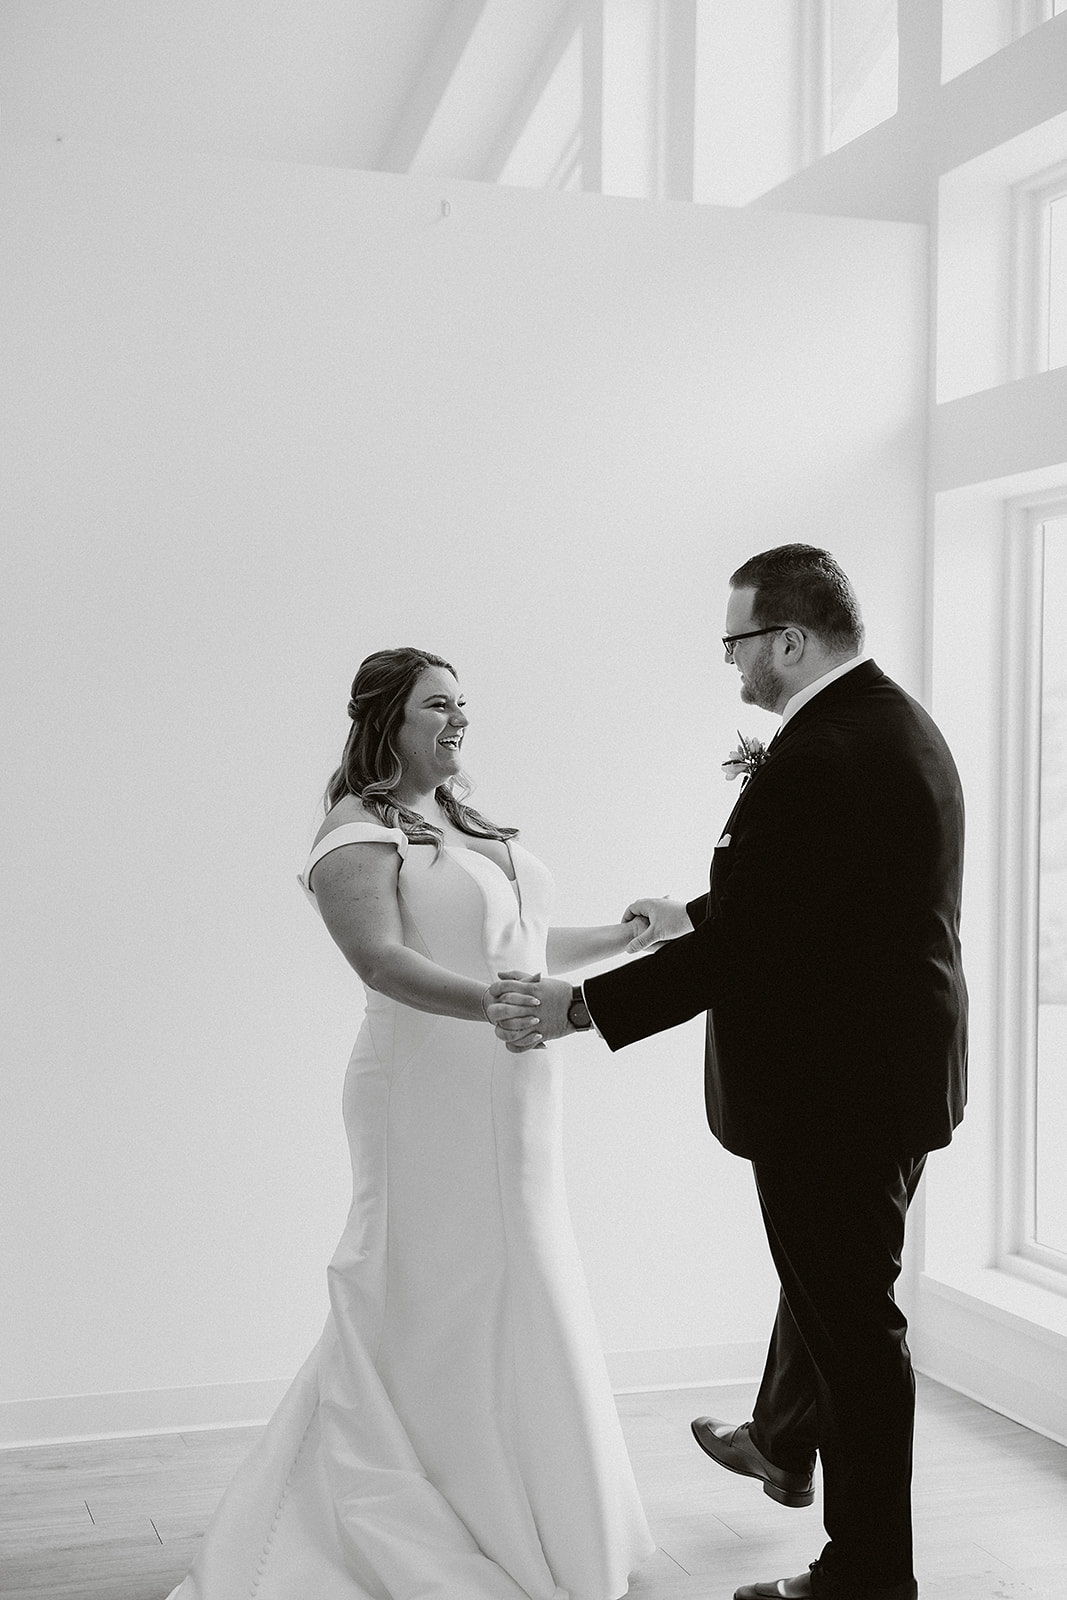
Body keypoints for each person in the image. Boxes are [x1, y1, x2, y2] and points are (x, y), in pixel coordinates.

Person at [492, 546, 968, 1600]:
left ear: (788, 641)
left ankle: (866, 1575)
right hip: (890, 1073)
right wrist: (694, 912)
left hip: (832, 1091)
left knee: (851, 1322)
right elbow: (806, 904)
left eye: (736, 642)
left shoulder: (820, 754)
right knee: (835, 1294)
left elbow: (754, 948)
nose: (731, 666)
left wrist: (581, 1007)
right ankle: (781, 1439)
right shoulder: (891, 722)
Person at [166, 646, 654, 1600]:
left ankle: (529, 1510)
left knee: (522, 1275)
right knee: (426, 1293)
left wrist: (633, 937)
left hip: (514, 1089)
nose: (459, 719)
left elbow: (517, 941)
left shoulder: (456, 820)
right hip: (421, 1092)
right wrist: (505, 1010)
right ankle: (394, 1504)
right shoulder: (352, 832)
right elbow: (381, 963)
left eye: (463, 704)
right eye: (438, 705)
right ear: (387, 719)